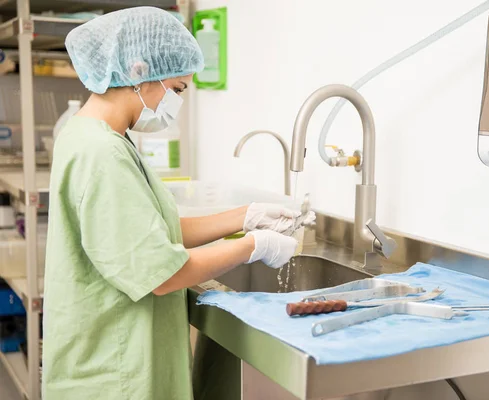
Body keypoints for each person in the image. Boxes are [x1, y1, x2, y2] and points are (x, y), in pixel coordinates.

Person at [42, 7, 311, 400]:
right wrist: (254, 246)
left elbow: (150, 233)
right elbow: (161, 274)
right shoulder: (102, 155)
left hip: (111, 357)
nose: (177, 101)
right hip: (113, 373)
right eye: (178, 88)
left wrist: (245, 216)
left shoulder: (96, 136)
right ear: (138, 71)